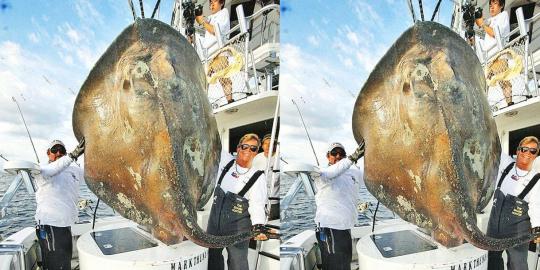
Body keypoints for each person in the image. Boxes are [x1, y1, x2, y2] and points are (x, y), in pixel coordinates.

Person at [207, 133, 270, 270]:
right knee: (213, 258)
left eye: (253, 148)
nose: (248, 150)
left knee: (238, 263)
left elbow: (257, 204)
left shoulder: (257, 176)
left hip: (238, 228)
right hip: (214, 224)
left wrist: (258, 225)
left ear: (256, 152)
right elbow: (212, 141)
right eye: (245, 146)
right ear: (239, 148)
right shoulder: (226, 161)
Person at [487, 136, 540, 270]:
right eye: (524, 149)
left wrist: (537, 228)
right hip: (494, 227)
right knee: (493, 261)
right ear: (518, 150)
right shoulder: (506, 163)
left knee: (517, 265)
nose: (527, 153)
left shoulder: (536, 179)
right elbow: (492, 145)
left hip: (518, 232)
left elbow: (536, 205)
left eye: (533, 151)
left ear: (536, 155)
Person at [35, 138, 85, 270]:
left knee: (64, 263)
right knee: (57, 266)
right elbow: (53, 169)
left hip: (65, 225)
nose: (58, 153)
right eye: (54, 150)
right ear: (48, 153)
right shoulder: (42, 170)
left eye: (61, 150)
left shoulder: (73, 170)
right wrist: (72, 155)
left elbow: (93, 174)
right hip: (50, 226)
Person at [314, 141, 365, 270]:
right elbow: (333, 172)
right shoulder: (322, 173)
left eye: (341, 154)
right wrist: (352, 158)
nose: (338, 156)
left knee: (344, 265)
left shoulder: (353, 173)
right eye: (334, 153)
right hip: (330, 228)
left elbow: (371, 177)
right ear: (327, 156)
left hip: (345, 228)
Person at [252, 134, 280, 220]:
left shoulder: (279, 158)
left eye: (271, 143)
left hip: (273, 202)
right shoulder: (257, 158)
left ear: (275, 145)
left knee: (271, 225)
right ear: (262, 145)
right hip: (258, 201)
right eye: (265, 144)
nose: (268, 146)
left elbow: (274, 182)